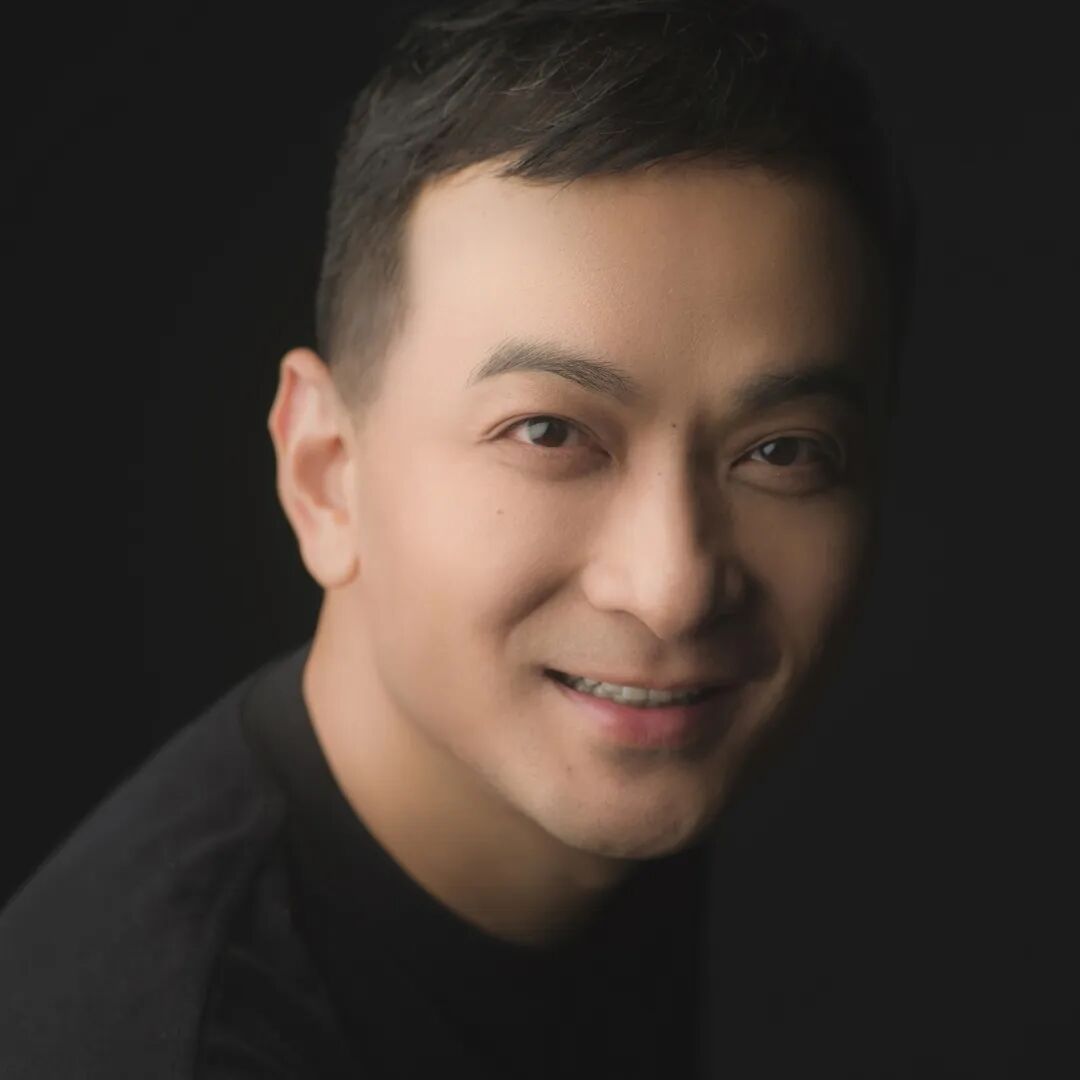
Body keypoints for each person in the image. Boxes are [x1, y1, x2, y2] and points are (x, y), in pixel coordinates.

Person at [0, 0, 917, 1075]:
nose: (673, 588)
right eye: (548, 433)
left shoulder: (587, 796)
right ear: (325, 475)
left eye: (783, 452)